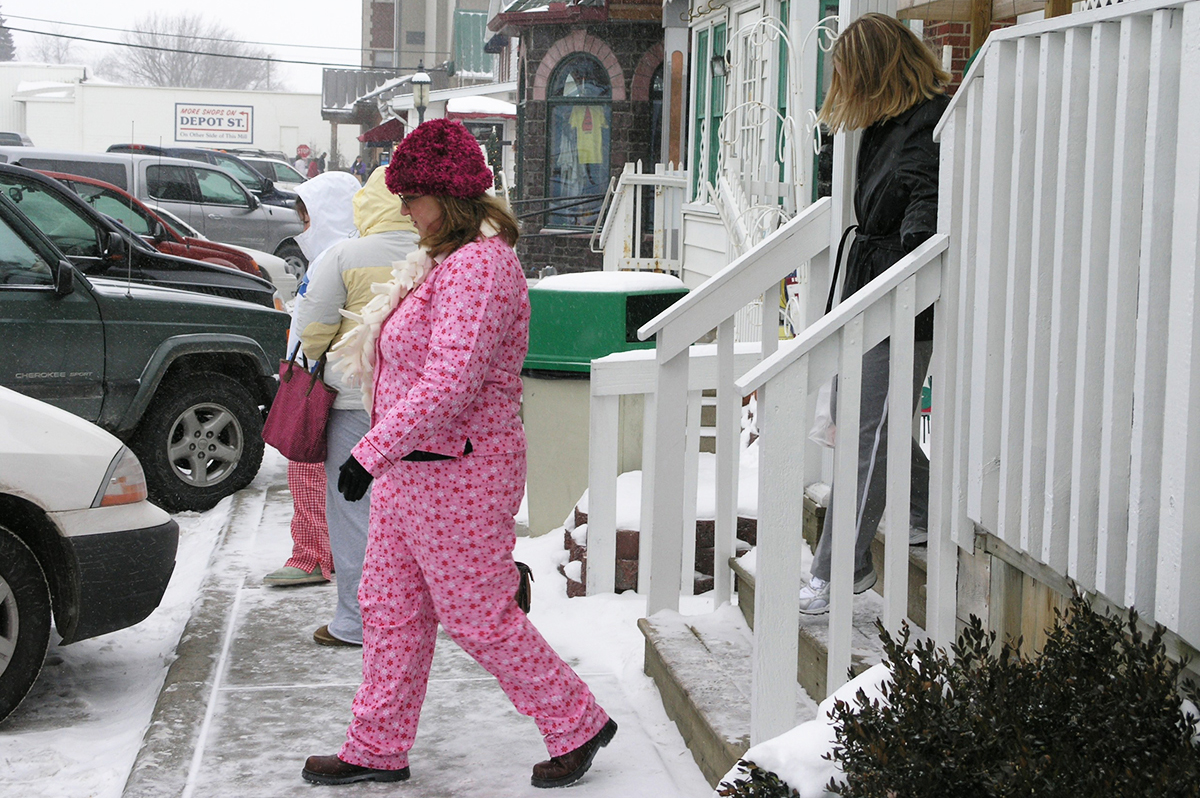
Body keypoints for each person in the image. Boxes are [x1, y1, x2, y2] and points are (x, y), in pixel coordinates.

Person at [302, 119, 615, 788]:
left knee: (478, 617)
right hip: (410, 472)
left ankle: (578, 722)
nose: (406, 211)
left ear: (445, 197)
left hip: (461, 474)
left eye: (413, 197)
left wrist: (368, 453)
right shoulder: (442, 262)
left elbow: (453, 380)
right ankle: (376, 747)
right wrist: (382, 455)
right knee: (388, 612)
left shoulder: (480, 266)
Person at [798, 13, 949, 614]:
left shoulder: (926, 123)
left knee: (870, 432)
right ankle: (922, 509)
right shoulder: (887, 122)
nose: (844, 93)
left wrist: (904, 270)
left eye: (850, 78)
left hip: (900, 297)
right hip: (868, 287)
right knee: (853, 417)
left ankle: (841, 569)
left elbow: (925, 199)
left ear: (877, 71)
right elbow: (843, 193)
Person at [292, 166, 420, 646]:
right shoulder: (442, 254)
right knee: (419, 511)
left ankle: (356, 620)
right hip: (421, 407)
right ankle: (424, 611)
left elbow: (313, 327)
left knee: (353, 513)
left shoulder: (343, 254)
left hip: (352, 404)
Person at [262, 178, 361, 590]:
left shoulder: (333, 257)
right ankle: (326, 552)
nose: (301, 223)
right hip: (328, 378)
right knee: (323, 475)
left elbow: (316, 324)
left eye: (306, 214)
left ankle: (313, 555)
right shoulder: (343, 252)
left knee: (307, 468)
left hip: (319, 380)